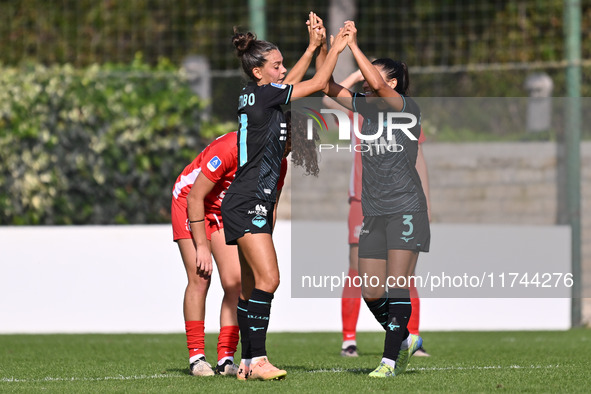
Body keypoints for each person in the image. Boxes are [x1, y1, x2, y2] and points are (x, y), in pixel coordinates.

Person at [219, 13, 348, 381]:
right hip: (248, 202)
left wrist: (311, 47)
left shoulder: (255, 93)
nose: (283, 70)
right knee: (269, 279)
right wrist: (334, 47)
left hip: (245, 200)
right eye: (276, 66)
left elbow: (290, 83)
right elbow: (320, 83)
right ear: (259, 72)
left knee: (250, 287)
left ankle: (246, 364)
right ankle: (257, 360)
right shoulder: (265, 95)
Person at [324, 21, 430, 377]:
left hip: (405, 209)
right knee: (370, 289)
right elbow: (326, 88)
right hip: (374, 212)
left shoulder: (405, 107)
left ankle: (388, 361)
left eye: (376, 73)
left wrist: (355, 47)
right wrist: (329, 49)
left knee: (398, 284)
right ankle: (402, 338)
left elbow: (380, 85)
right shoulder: (365, 111)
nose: (368, 78)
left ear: (394, 82)